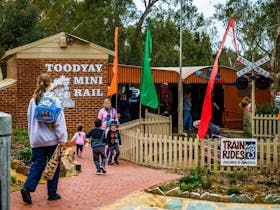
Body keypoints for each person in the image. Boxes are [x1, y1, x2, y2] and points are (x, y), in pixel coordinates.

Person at [21, 73, 67, 204]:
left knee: (38, 164)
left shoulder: (33, 101)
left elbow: (30, 121)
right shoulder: (55, 100)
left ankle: (27, 188)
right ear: (50, 84)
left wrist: (32, 138)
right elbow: (59, 122)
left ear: (38, 83)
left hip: (37, 140)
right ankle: (52, 193)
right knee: (53, 165)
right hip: (52, 140)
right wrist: (63, 139)